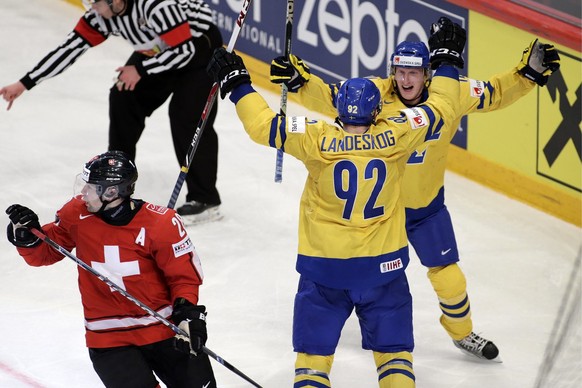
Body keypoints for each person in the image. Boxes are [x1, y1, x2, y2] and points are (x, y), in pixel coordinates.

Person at [269, 18, 561, 362]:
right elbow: (332, 98)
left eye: (413, 73)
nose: (405, 80)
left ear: (428, 73)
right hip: (380, 218)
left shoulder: (452, 92)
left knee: (450, 277)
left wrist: (526, 74)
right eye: (399, 72)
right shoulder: (375, 96)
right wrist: (301, 81)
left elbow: (495, 93)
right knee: (374, 284)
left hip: (426, 208)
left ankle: (462, 333)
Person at [206, 16, 464, 387]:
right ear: (378, 112)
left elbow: (262, 126)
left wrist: (237, 83)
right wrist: (447, 60)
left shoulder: (315, 136)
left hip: (324, 271)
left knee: (313, 363)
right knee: (394, 359)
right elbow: (442, 106)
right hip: (383, 269)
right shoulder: (399, 132)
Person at [0, 0, 223, 225]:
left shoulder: (156, 6)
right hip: (159, 49)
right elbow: (68, 50)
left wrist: (140, 69)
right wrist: (24, 84)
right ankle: (115, 186)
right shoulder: (101, 13)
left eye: (95, 3)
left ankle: (205, 199)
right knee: (123, 97)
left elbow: (184, 51)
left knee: (187, 117)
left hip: (197, 50)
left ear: (116, 1)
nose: (92, 9)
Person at [5, 151, 216, 388]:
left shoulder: (161, 224)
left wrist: (188, 313)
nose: (83, 192)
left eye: (90, 187)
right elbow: (45, 253)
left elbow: (184, 276)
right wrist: (27, 239)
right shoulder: (76, 214)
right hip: (109, 339)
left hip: (165, 330)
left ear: (112, 192)